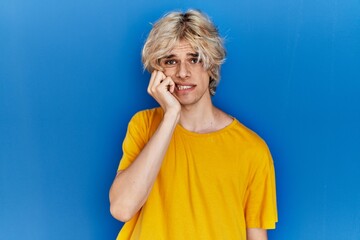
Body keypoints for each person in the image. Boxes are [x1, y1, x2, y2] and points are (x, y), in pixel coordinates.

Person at [109, 9, 278, 240]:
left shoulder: (252, 150)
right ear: (158, 71)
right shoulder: (144, 125)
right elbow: (122, 208)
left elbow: (256, 236)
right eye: (171, 61)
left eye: (194, 59)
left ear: (211, 66)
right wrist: (171, 116)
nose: (182, 72)